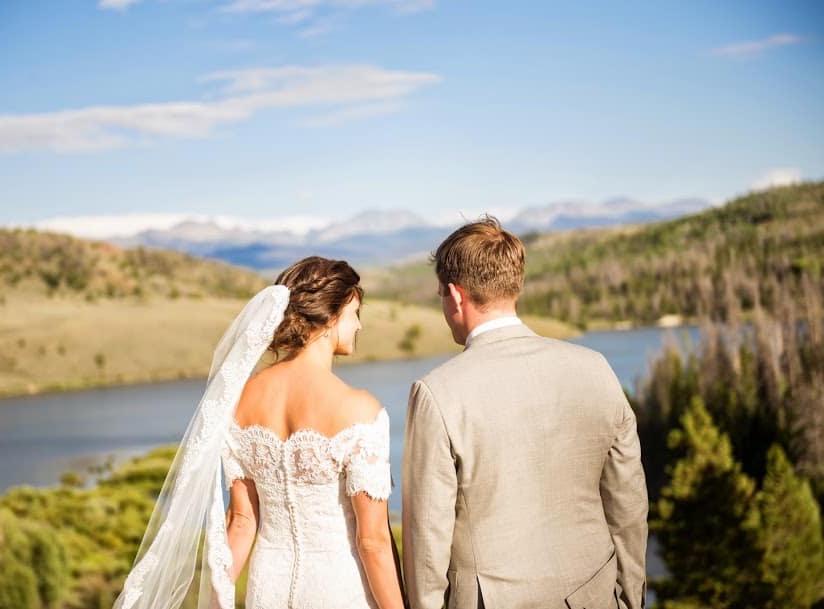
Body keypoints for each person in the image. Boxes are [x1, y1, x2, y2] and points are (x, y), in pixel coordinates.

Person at [112, 256, 406, 609]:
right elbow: (372, 541)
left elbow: (240, 522)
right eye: (355, 312)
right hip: (339, 589)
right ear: (331, 317)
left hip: (268, 588)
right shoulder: (359, 409)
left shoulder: (238, 401)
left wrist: (214, 603)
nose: (358, 326)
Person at [402, 217, 648, 609]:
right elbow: (628, 505)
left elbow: (426, 540)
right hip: (594, 595)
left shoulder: (437, 392)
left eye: (441, 296)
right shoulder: (595, 367)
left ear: (455, 295)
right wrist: (631, 598)